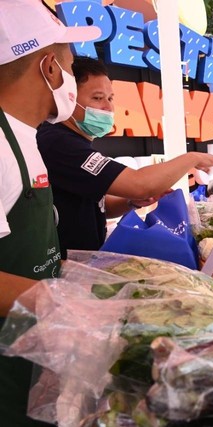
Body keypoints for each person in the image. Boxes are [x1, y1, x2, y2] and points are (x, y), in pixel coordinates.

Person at [0, 2, 100, 425]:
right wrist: (59, 304)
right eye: (70, 65)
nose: (71, 78)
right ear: (48, 68)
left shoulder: (26, 137)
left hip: (31, 355)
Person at [37, 56, 213, 252]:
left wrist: (131, 202)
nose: (108, 107)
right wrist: (192, 158)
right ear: (68, 97)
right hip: (60, 269)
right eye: (97, 98)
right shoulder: (59, 142)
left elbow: (100, 207)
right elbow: (140, 184)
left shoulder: (77, 142)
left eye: (110, 98)